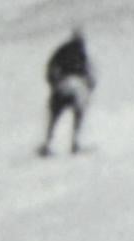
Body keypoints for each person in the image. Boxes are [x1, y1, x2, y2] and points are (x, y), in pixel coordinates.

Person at [40, 27, 94, 156]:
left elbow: (50, 69)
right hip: (75, 87)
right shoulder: (81, 53)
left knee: (54, 117)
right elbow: (89, 74)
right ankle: (74, 143)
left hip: (61, 86)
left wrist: (54, 84)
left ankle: (47, 144)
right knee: (79, 113)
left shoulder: (61, 51)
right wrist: (89, 86)